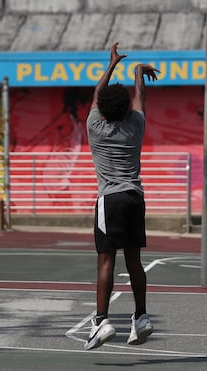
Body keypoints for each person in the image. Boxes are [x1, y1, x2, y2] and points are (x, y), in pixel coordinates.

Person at [84, 42, 159, 350]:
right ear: (126, 108)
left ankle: (101, 321)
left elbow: (95, 95)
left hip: (109, 200)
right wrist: (138, 71)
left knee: (105, 262)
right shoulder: (136, 126)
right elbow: (139, 95)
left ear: (102, 107)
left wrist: (111, 64)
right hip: (134, 198)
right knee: (134, 263)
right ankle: (140, 317)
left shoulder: (94, 126)